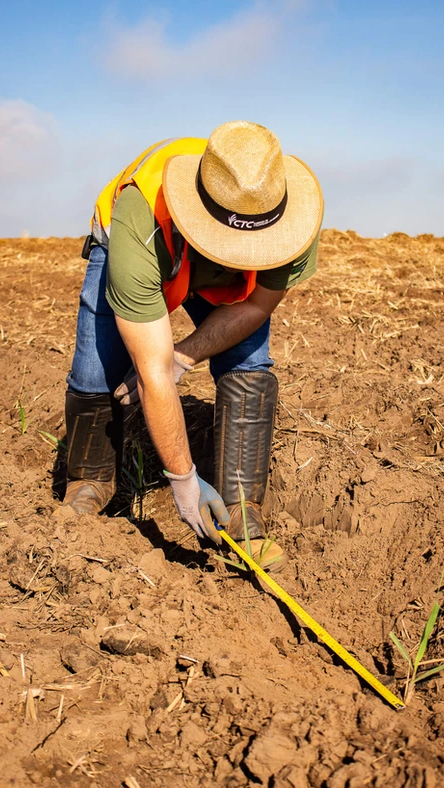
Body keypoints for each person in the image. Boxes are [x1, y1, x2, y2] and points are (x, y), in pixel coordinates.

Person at [60, 120, 323, 571]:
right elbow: (153, 372)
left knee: (249, 362)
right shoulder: (140, 217)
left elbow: (257, 307)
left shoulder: (292, 218)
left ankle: (242, 510)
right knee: (94, 372)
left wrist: (185, 354)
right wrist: (184, 482)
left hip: (215, 270)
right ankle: (90, 480)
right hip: (151, 244)